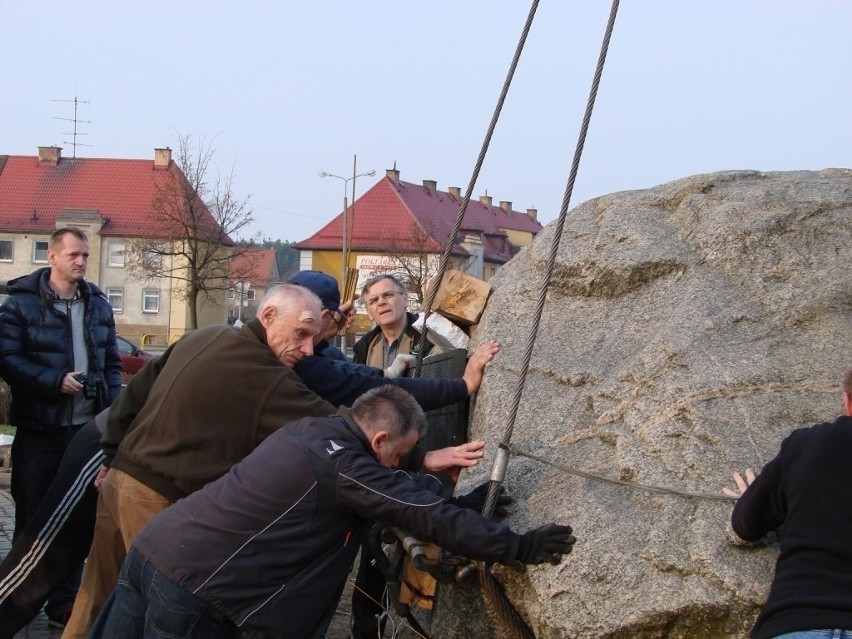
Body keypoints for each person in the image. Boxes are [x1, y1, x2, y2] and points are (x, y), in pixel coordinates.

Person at [90, 385, 576, 639]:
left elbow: (388, 494)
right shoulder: (346, 465)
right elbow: (414, 509)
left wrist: (461, 501)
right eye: (399, 453)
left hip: (152, 553)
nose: (396, 463)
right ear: (380, 438)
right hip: (197, 591)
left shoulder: (309, 431)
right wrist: (517, 547)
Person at [0, 227, 122, 626]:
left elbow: (111, 363)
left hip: (86, 431)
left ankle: (64, 604)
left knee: (77, 518)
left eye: (85, 255)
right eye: (74, 255)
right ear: (51, 256)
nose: (82, 262)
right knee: (34, 515)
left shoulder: (99, 304)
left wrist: (114, 411)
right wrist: (53, 381)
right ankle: (18, 603)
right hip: (40, 428)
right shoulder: (20, 305)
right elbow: (7, 360)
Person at [722, 369, 852, 639]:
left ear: (847, 400)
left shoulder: (807, 444)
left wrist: (754, 497)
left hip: (797, 621)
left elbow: (745, 526)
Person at [352, 274, 432, 367]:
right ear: (369, 312)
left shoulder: (430, 338)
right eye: (374, 300)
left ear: (405, 299)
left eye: (387, 295)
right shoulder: (363, 349)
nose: (381, 302)